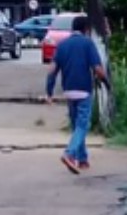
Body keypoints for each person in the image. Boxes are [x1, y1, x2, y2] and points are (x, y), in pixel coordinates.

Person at [45, 14, 108, 175]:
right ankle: (69, 154)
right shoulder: (88, 43)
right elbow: (98, 69)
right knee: (83, 126)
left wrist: (49, 92)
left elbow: (52, 70)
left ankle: (83, 159)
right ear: (86, 29)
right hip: (83, 90)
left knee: (76, 127)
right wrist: (106, 82)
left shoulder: (62, 45)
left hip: (68, 91)